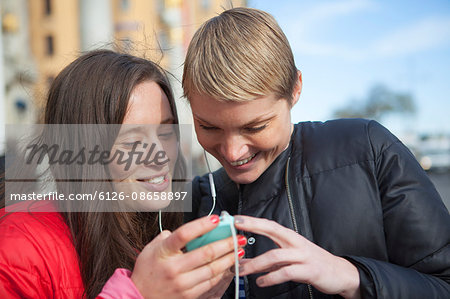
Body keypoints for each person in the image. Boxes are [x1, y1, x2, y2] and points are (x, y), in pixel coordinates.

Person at [182, 7, 450, 299]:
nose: (233, 153)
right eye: (208, 127)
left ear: (295, 89)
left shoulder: (369, 152)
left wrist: (352, 278)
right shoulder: (194, 202)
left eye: (255, 126)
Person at [0, 50, 246, 299]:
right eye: (132, 141)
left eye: (165, 132)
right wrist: (137, 294)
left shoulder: (153, 230)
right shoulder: (17, 250)